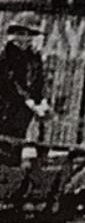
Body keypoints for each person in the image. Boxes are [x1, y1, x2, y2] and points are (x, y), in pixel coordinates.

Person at [0, 18, 48, 165]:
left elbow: (38, 80)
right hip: (6, 107)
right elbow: (9, 81)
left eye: (29, 35)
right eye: (21, 34)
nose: (26, 39)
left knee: (18, 140)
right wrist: (28, 100)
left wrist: (41, 101)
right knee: (5, 141)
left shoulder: (34, 57)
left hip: (25, 109)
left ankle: (12, 174)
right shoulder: (6, 56)